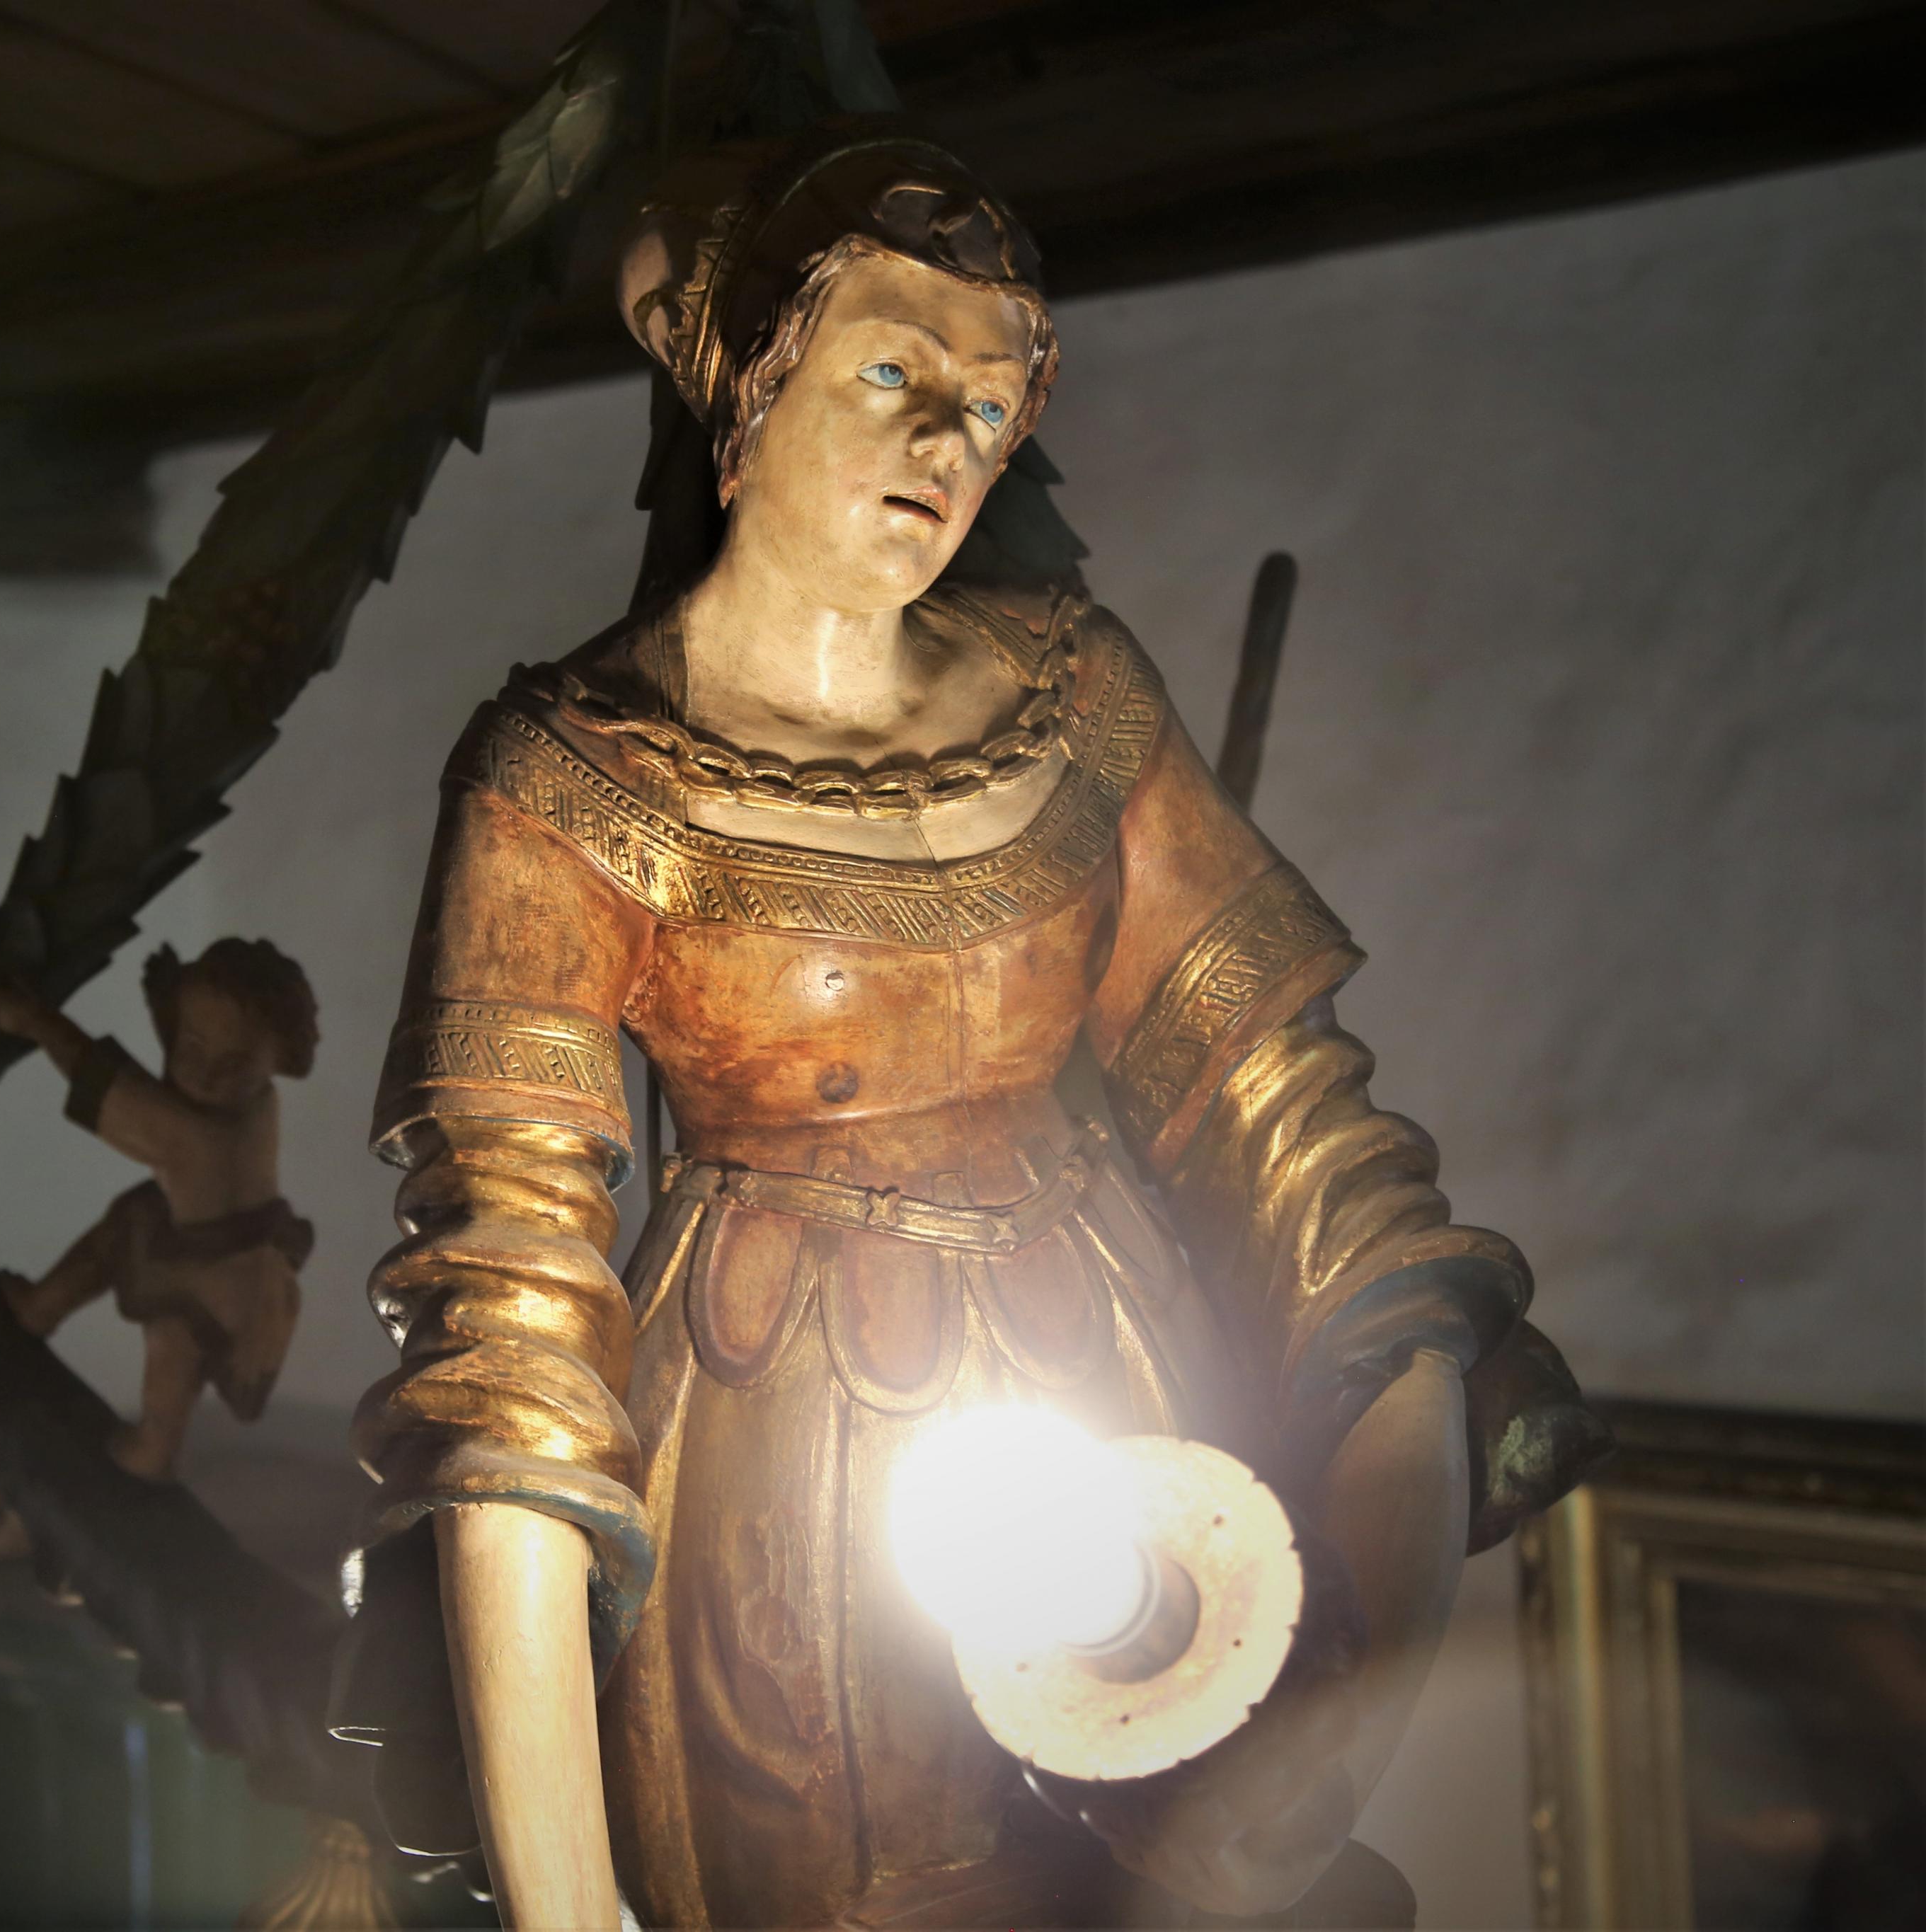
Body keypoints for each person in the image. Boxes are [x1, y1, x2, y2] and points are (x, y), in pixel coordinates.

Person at [344, 124, 1600, 1930]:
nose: (948, 439)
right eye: (891, 372)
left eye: (992, 404)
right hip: (777, 1484)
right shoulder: (571, 777)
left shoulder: (1076, 704)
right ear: (751, 385)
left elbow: (1308, 1149)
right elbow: (509, 1334)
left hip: (1126, 1406)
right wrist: (564, 1906)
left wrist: (1335, 1734)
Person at [0, 937, 318, 1482]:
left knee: (172, 1342)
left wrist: (36, 1021)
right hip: (235, 1254)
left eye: (233, 1063)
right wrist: (167, 1009)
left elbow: (104, 1081)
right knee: (129, 1222)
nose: (204, 1074)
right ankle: (42, 1305)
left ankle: (156, 1446)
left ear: (281, 1060)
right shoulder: (257, 1099)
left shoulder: (195, 1135)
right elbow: (186, 1070)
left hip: (215, 1281)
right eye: (190, 1046)